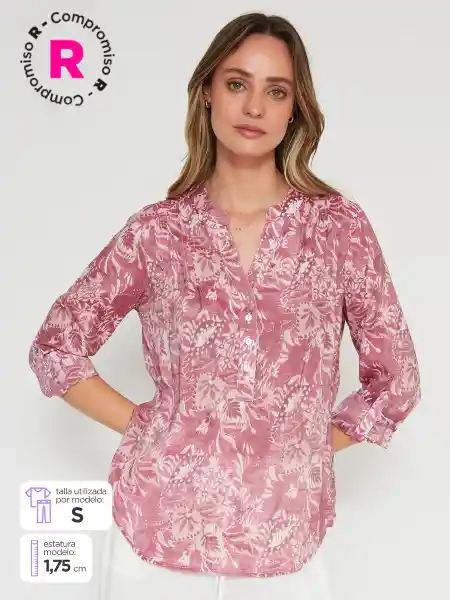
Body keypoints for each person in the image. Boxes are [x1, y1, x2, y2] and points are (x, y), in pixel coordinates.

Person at [28, 11, 421, 600]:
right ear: (208, 92)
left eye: (276, 91)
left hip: (286, 546)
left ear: (295, 110)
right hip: (156, 538)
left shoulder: (337, 229)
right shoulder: (157, 233)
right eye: (237, 83)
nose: (254, 106)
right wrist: (145, 426)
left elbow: (397, 381)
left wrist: (306, 446)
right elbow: (55, 346)